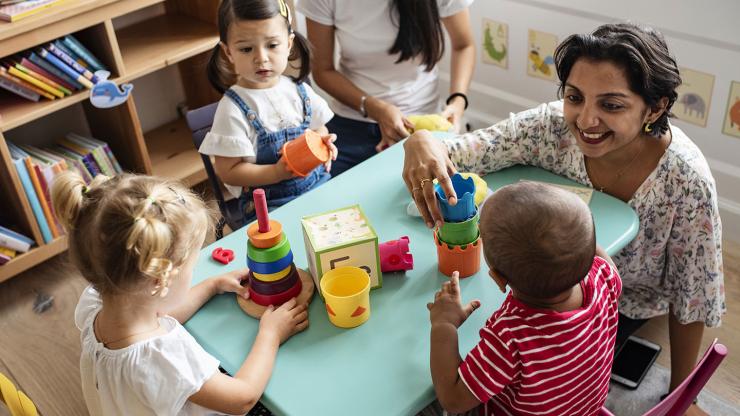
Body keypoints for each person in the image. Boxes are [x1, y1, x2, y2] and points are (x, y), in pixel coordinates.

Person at [404, 23, 724, 415]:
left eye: (611, 104)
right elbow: (467, 150)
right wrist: (421, 140)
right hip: (571, 294)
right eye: (574, 97)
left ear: (655, 108)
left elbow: (693, 297)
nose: (586, 120)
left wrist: (680, 395)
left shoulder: (687, 181)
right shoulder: (550, 127)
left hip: (625, 305)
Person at [52, 172, 309, 415]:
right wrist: (270, 334)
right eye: (192, 266)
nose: (194, 272)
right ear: (159, 280)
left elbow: (157, 312)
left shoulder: (96, 303)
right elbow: (242, 398)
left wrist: (211, 285)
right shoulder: (162, 358)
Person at [428, 181, 622, 415]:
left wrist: (444, 324)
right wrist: (572, 235)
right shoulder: (605, 277)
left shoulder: (511, 337)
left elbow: (453, 399)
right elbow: (591, 253)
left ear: (499, 279)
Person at [297, 0, 476, 176]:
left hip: (422, 122)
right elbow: (322, 70)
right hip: (351, 122)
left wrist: (458, 102)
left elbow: (464, 45)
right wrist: (376, 108)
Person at [201, 0, 338, 224]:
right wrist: (276, 173)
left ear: (289, 43)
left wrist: (322, 142)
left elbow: (318, 127)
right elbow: (229, 171)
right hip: (269, 206)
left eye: (272, 45)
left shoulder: (299, 90)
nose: (261, 58)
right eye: (246, 49)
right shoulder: (232, 108)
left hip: (318, 185)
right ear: (228, 52)